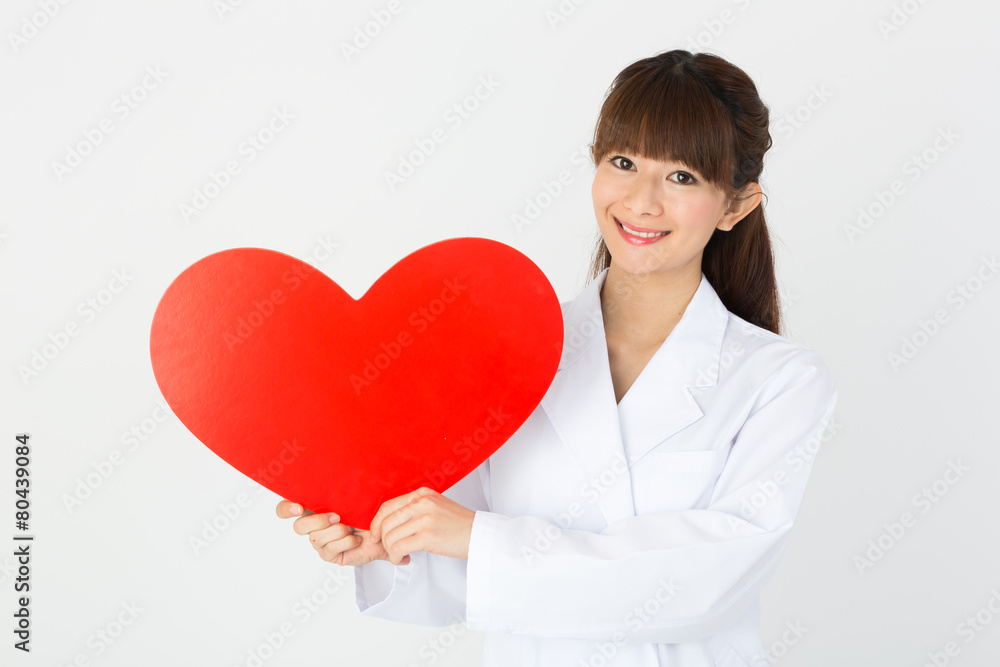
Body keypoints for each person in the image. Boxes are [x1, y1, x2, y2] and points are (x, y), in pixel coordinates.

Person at [275, 49, 838, 667]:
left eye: (682, 177)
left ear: (737, 205)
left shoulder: (780, 381)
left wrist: (478, 538)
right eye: (623, 163)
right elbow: (463, 567)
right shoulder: (510, 350)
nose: (642, 201)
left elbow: (708, 582)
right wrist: (389, 542)